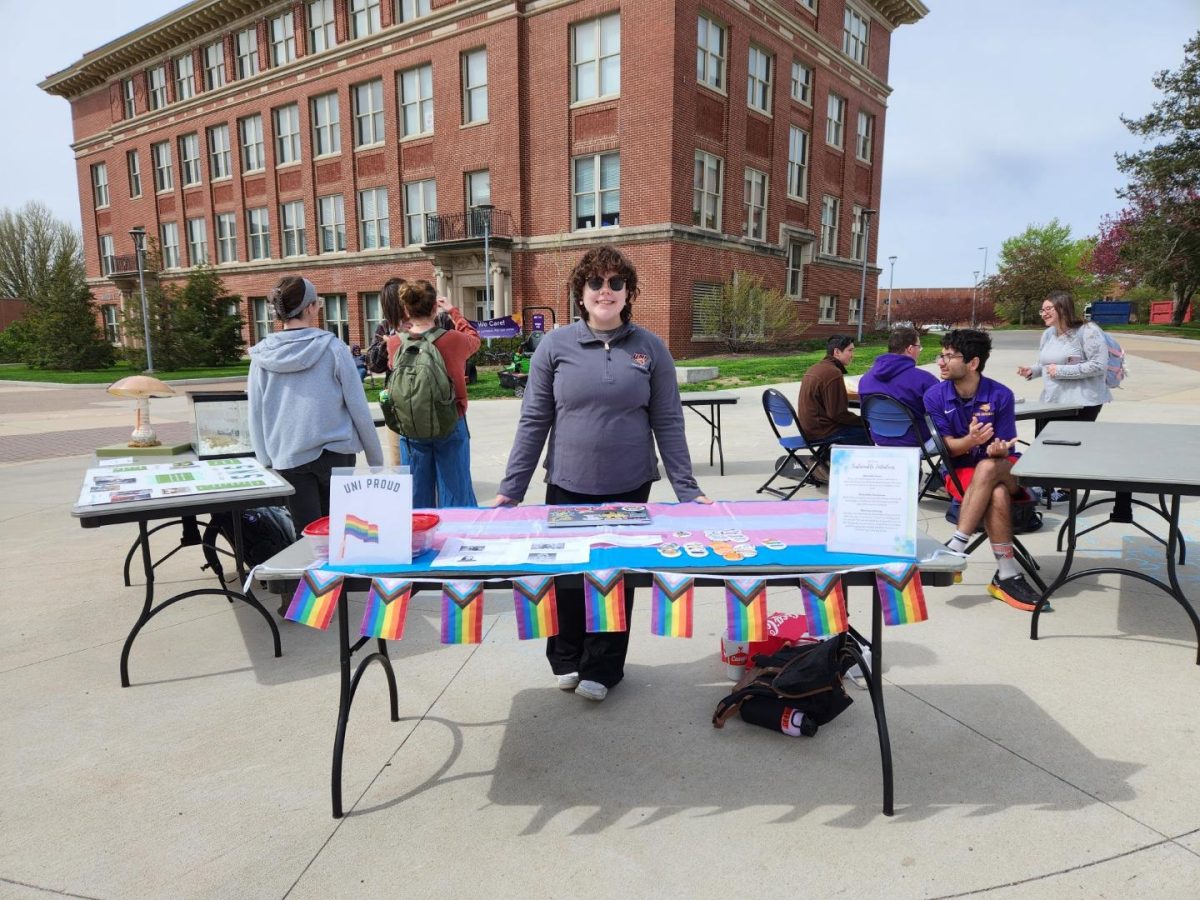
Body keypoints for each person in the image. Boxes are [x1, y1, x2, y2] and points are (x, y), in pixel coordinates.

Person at [492, 244, 711, 703]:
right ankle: (566, 657)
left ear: (628, 292)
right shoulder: (554, 346)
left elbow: (668, 421)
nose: (605, 291)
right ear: (581, 291)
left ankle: (604, 666)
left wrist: (688, 491)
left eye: (615, 283)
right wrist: (510, 491)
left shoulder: (650, 349)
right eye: (596, 283)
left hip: (630, 486)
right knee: (567, 578)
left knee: (614, 580)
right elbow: (534, 420)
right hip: (568, 485)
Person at [247, 275, 383, 533]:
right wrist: (375, 459)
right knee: (342, 532)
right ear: (309, 307)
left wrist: (264, 459)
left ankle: (311, 574)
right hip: (337, 453)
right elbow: (358, 406)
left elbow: (255, 411)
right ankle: (343, 574)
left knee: (307, 536)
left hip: (288, 455)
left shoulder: (263, 356)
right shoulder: (333, 348)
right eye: (318, 302)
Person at [923, 329, 1042, 611]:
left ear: (973, 363)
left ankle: (957, 545)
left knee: (990, 466)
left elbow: (1007, 448)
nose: (940, 361)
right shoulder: (934, 396)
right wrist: (972, 441)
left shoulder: (1001, 395)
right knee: (997, 494)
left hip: (1004, 467)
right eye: (941, 355)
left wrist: (997, 449)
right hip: (962, 471)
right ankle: (1007, 573)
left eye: (949, 356)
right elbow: (947, 448)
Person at [1017, 289, 1112, 503]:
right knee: (1045, 444)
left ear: (1063, 307)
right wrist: (1033, 371)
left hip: (1082, 401)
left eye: (1048, 309)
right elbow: (1045, 364)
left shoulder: (1088, 331)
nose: (1043, 313)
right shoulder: (1048, 334)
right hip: (1052, 400)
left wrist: (1061, 371)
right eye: (1042, 309)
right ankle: (1046, 487)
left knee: (1069, 449)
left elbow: (1099, 365)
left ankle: (1068, 490)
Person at [393, 280, 480, 508]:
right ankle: (457, 538)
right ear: (434, 308)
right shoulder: (453, 340)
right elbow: (474, 338)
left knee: (416, 497)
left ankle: (420, 539)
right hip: (451, 420)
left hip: (411, 424)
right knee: (456, 493)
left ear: (406, 309)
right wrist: (453, 311)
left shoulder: (395, 343)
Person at [858, 326, 938, 446]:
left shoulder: (865, 380)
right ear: (910, 349)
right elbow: (942, 412)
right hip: (918, 441)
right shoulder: (925, 380)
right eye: (919, 347)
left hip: (879, 440)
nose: (919, 351)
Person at [796, 334, 870, 445]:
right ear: (837, 352)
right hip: (822, 432)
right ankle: (830, 459)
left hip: (809, 429)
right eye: (850, 351)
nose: (852, 355)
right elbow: (838, 414)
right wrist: (865, 422)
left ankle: (823, 457)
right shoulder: (833, 373)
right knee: (872, 434)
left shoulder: (815, 367)